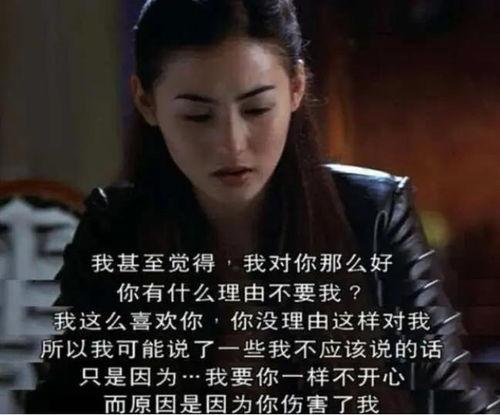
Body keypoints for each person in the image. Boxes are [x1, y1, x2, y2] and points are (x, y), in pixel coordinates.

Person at [26, 0, 499, 413]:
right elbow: (63, 402)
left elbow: (449, 400)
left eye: (255, 109)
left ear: (295, 88)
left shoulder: (371, 213)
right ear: (146, 103)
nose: (232, 143)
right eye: (197, 116)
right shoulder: (115, 229)